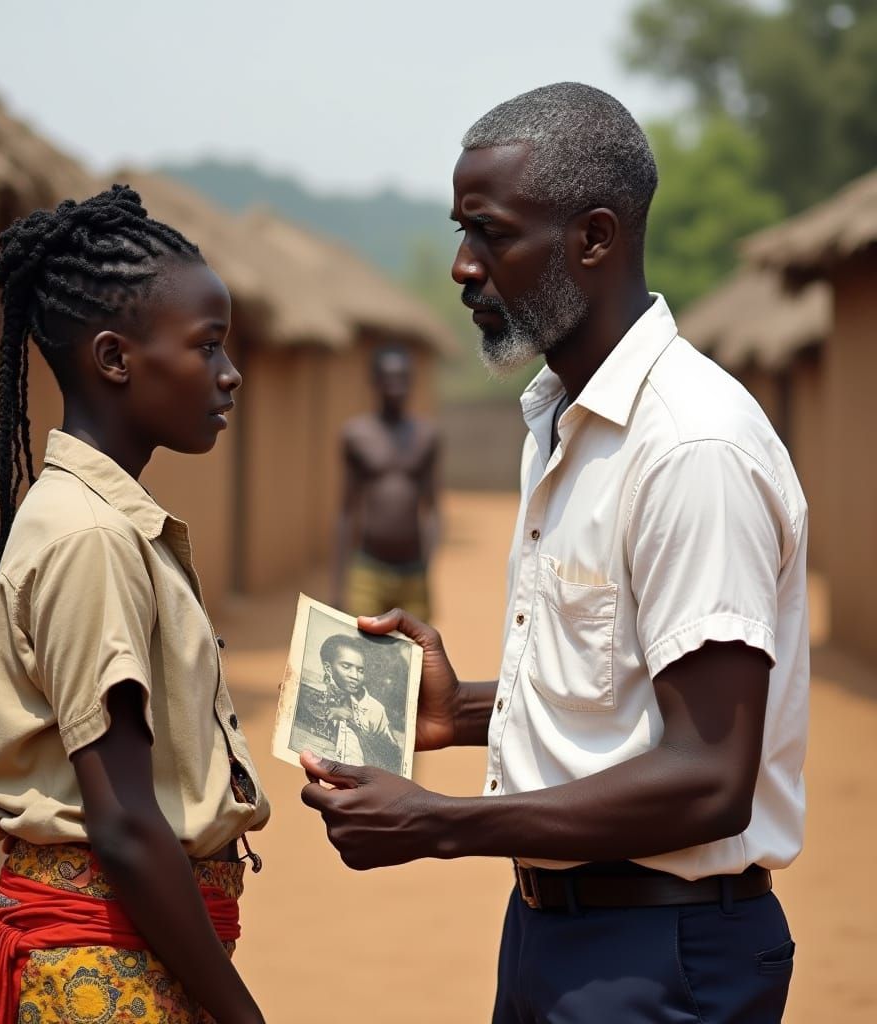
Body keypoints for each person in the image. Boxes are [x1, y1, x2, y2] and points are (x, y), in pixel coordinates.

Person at [301, 83, 807, 1023]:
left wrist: (440, 824)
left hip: (659, 959)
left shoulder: (690, 447)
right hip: (553, 935)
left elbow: (709, 776)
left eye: (491, 234)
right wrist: (467, 711)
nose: (462, 266)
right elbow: (630, 693)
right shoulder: (564, 428)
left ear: (596, 238)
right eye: (462, 232)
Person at [0, 186, 270, 1024]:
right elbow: (127, 821)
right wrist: (241, 1015)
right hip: (102, 971)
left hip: (127, 951)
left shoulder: (102, 521)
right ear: (114, 357)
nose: (229, 373)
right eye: (207, 347)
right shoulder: (91, 537)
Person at [331, 345, 439, 621]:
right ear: (375, 381)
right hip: (368, 570)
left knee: (414, 658)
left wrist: (427, 571)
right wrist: (337, 586)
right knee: (363, 656)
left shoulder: (426, 437)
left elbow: (432, 509)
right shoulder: (357, 436)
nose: (396, 386)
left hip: (413, 571)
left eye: (403, 377)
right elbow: (346, 511)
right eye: (389, 378)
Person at [318, 634, 401, 772]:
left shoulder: (375, 709)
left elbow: (392, 755)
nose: (355, 676)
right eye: (346, 666)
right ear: (328, 668)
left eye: (360, 670)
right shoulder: (314, 692)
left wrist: (353, 723)